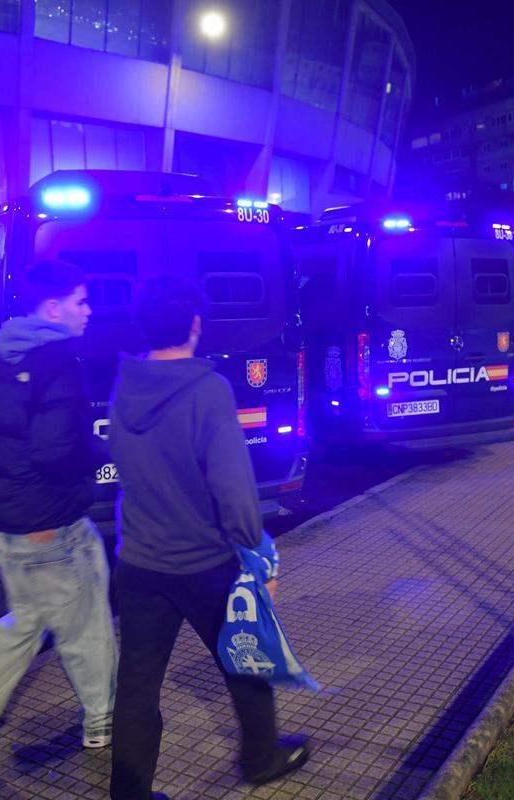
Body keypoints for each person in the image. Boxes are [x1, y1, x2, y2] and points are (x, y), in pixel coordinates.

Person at [108, 274, 309, 800]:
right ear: (195, 324)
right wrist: (259, 559)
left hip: (140, 561)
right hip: (203, 562)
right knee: (244, 657)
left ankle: (129, 794)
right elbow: (234, 489)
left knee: (136, 686)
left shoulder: (126, 383)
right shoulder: (207, 390)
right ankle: (262, 758)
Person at [0, 260, 116, 791]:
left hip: (5, 520)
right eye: (81, 300)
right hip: (47, 521)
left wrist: (7, 480)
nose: (88, 310)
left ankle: (100, 718)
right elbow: (58, 448)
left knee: (38, 621)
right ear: (53, 307)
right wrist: (95, 454)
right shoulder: (57, 358)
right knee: (76, 624)